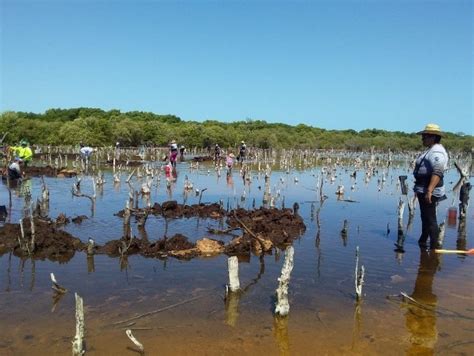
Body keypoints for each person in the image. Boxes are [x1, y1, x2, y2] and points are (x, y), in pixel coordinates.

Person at [413, 123, 448, 249]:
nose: (422, 138)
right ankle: (423, 241)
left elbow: (437, 171)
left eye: (425, 136)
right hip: (424, 188)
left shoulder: (437, 151)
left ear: (433, 137)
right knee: (426, 216)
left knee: (430, 218)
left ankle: (435, 247)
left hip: (430, 190)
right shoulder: (431, 150)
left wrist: (429, 190)